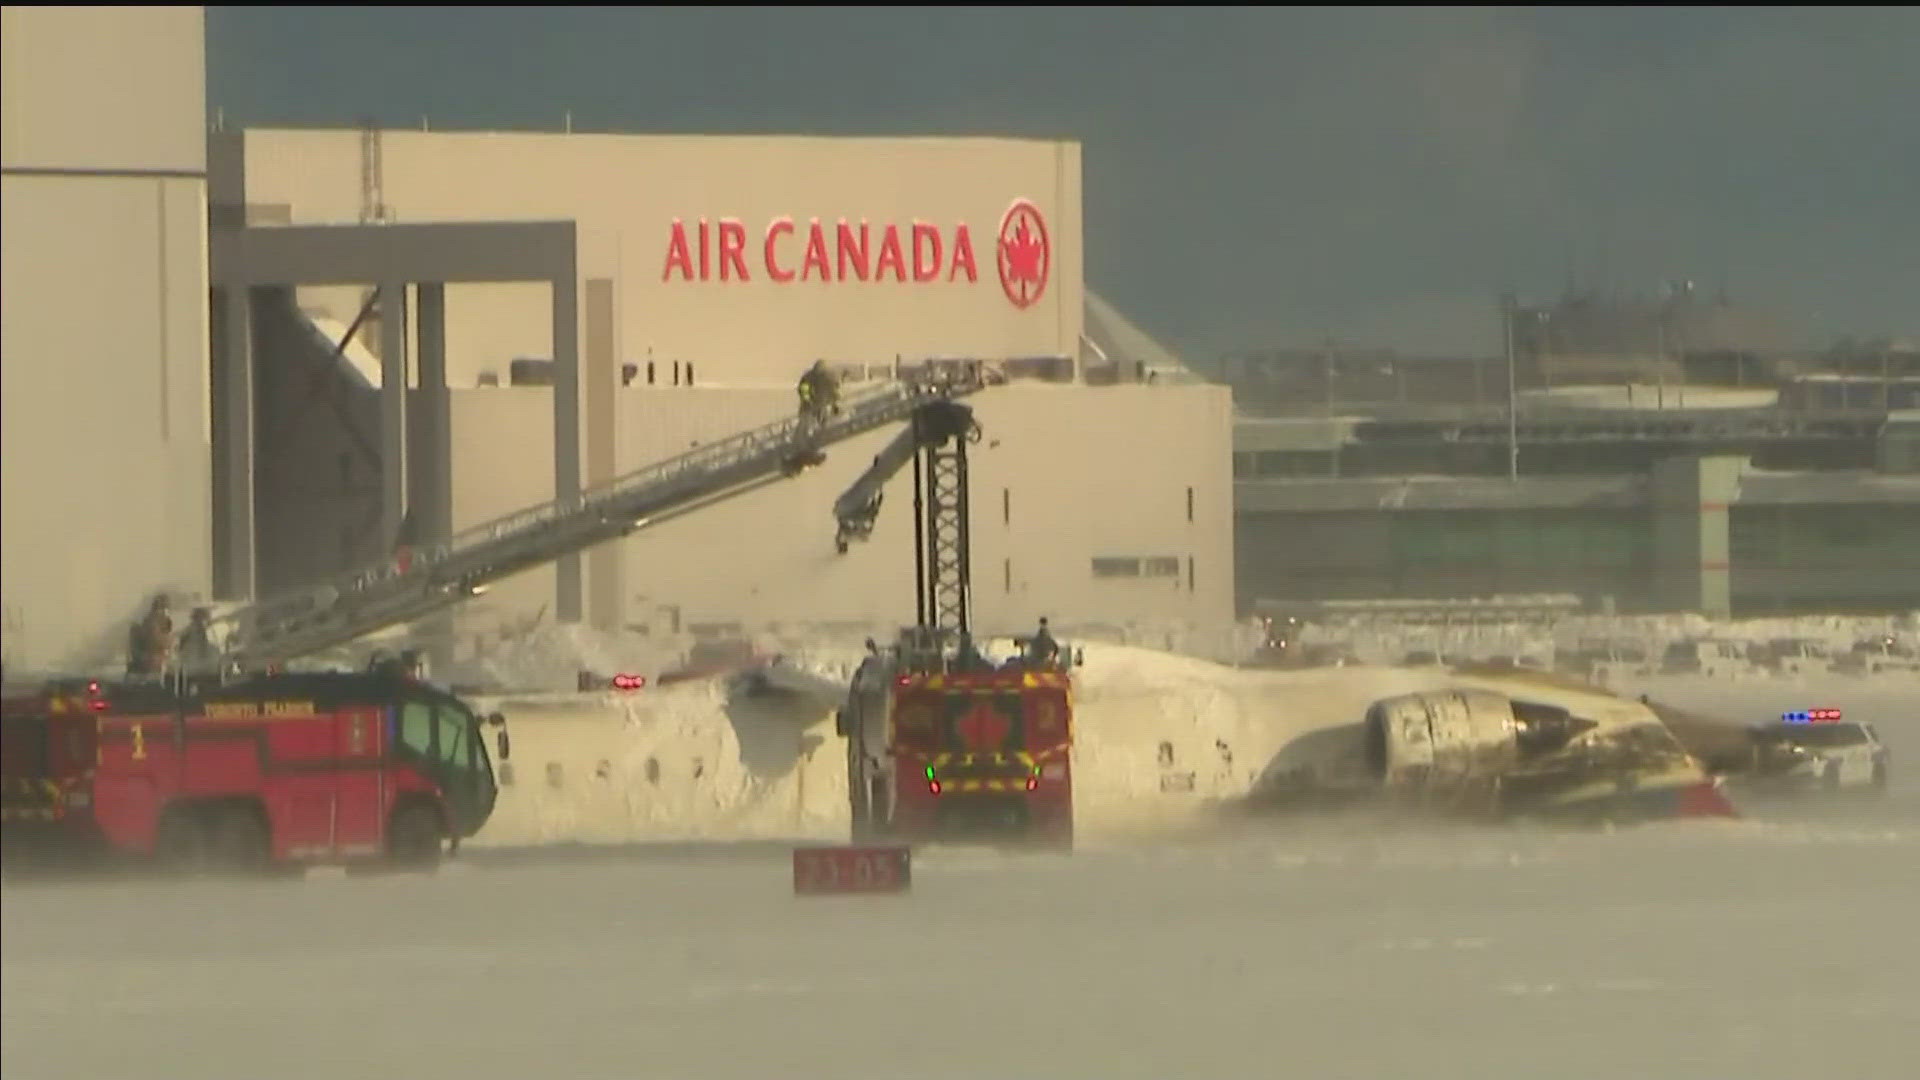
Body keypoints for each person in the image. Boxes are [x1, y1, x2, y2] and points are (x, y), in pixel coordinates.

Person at [797, 360, 840, 425]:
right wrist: (808, 401)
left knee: (825, 419)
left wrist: (835, 403)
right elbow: (803, 391)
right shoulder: (808, 377)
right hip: (813, 406)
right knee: (808, 421)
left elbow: (834, 390)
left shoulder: (829, 376)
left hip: (823, 404)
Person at [177, 607, 218, 673]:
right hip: (196, 668)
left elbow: (180, 649)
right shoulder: (193, 630)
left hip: (194, 668)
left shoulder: (190, 630)